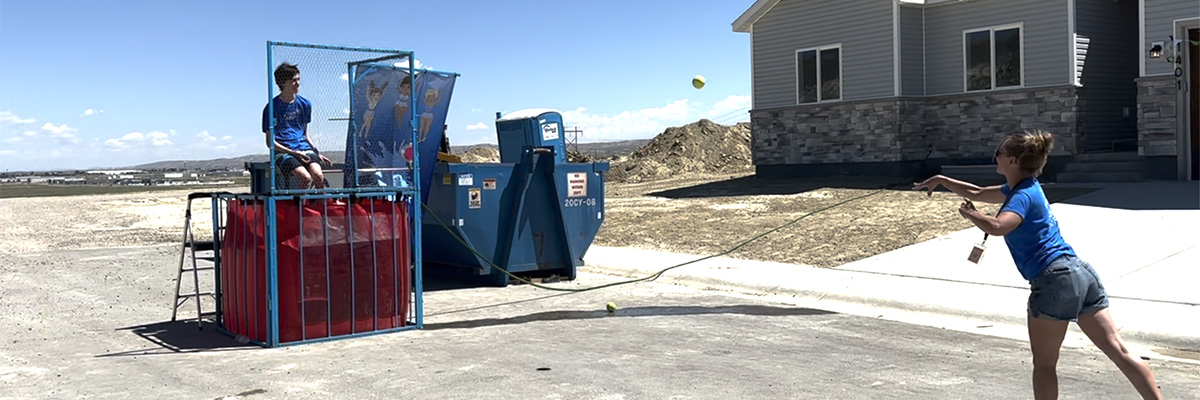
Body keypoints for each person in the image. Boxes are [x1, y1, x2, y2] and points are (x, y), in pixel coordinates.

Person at [913, 130, 1161, 400]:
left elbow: (999, 226)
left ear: (1014, 160)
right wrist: (940, 179)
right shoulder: (1024, 188)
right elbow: (978, 191)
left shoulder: (1021, 196)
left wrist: (971, 213)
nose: (995, 155)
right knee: (1119, 350)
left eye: (999, 152)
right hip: (1081, 273)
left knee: (1044, 364)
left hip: (1054, 280)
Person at [262, 62, 332, 189]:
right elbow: (270, 142)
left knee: (318, 176)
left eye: (298, 79)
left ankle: (323, 205)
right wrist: (294, 153)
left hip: (304, 149)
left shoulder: (305, 104)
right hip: (284, 152)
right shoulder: (271, 108)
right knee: (305, 178)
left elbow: (305, 133)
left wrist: (317, 152)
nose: (298, 83)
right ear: (283, 83)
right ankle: (299, 206)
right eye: (294, 80)